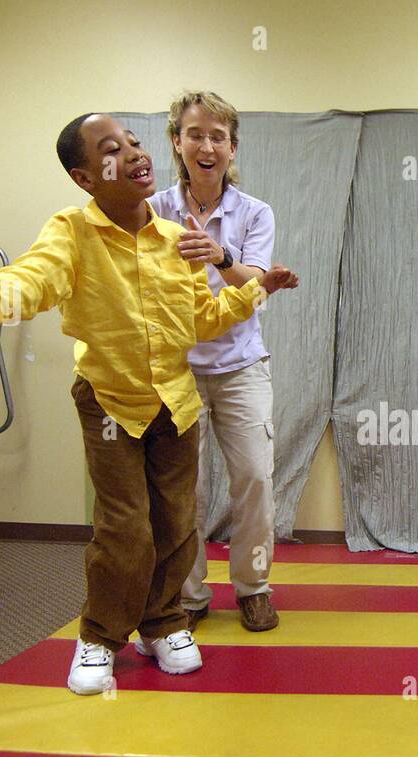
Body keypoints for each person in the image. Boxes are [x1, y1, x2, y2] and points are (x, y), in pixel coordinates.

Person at [0, 113, 299, 695]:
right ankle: (99, 636)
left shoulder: (174, 238)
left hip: (176, 405)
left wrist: (256, 289)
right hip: (112, 402)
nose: (135, 154)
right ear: (86, 177)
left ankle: (163, 624)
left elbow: (202, 320)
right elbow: (29, 282)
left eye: (134, 142)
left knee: (175, 523)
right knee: (124, 527)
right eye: (113, 149)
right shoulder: (71, 231)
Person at [149, 91, 280, 633]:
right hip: (177, 366)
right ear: (177, 142)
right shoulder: (153, 210)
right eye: (195, 134)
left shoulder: (254, 212)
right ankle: (190, 594)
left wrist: (222, 257)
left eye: (217, 137)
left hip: (241, 364)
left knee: (253, 477)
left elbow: (260, 285)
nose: (206, 146)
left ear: (232, 147)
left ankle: (253, 588)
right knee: (186, 488)